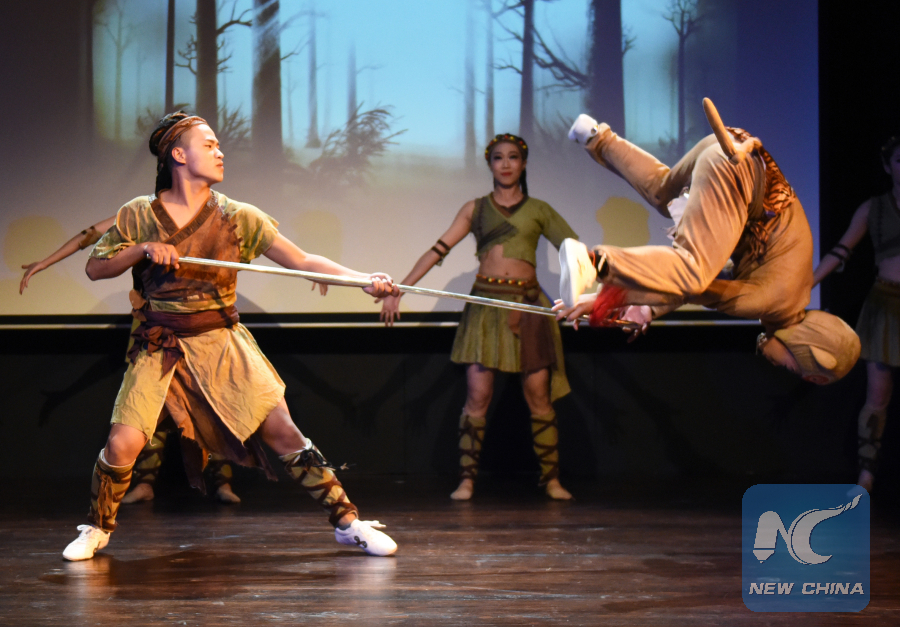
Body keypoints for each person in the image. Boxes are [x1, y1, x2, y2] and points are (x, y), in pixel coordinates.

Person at [62, 111, 399, 561]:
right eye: (209, 145)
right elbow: (95, 267)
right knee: (123, 442)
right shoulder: (138, 213)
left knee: (284, 433)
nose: (220, 152)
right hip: (162, 345)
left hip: (222, 341)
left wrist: (363, 280)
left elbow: (302, 261)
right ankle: (98, 527)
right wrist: (142, 250)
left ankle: (347, 522)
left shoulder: (239, 216)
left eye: (219, 145)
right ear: (178, 155)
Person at [558, 110, 859, 385]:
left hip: (727, 146)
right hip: (737, 171)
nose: (780, 366)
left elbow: (711, 279)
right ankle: (592, 262)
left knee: (664, 193)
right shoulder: (772, 301)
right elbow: (690, 288)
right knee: (693, 269)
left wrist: (638, 307)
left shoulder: (792, 291)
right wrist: (608, 299)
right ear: (803, 346)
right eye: (792, 368)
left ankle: (595, 136)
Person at [379, 133, 577, 500]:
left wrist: (583, 298)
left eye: (513, 157)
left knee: (539, 397)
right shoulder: (475, 209)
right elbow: (437, 249)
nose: (506, 164)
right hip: (486, 308)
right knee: (477, 397)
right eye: (498, 157)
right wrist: (400, 289)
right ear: (489, 164)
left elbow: (575, 253)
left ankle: (551, 480)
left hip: (527, 308)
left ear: (523, 163)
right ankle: (467, 479)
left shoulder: (540, 210)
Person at [21, 217, 265, 505]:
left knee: (210, 406)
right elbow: (88, 235)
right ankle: (145, 482)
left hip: (198, 329)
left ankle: (223, 481)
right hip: (154, 328)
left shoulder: (208, 217)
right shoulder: (138, 217)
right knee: (151, 408)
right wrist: (45, 262)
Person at [812, 135, 900, 491]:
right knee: (877, 397)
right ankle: (867, 474)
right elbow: (841, 251)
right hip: (885, 306)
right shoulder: (872, 208)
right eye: (899, 161)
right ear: (887, 166)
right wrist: (808, 284)